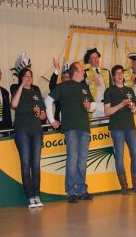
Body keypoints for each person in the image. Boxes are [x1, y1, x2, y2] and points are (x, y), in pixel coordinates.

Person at [44, 62, 97, 203]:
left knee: (82, 160)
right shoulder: (64, 86)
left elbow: (93, 105)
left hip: (84, 128)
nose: (84, 72)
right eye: (82, 70)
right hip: (71, 128)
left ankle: (82, 190)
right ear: (76, 72)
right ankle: (71, 191)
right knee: (73, 158)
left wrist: (90, 106)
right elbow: (48, 100)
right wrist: (51, 120)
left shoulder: (84, 87)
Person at [104, 65, 136, 194]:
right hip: (117, 128)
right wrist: (120, 105)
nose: (120, 75)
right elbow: (107, 112)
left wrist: (133, 108)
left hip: (130, 127)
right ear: (113, 76)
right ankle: (124, 187)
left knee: (135, 155)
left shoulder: (129, 90)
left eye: (121, 73)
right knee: (120, 157)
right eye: (117, 73)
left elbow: (135, 110)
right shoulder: (109, 91)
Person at [11, 68, 47, 208]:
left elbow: (43, 115)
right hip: (22, 130)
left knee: (35, 164)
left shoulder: (36, 93)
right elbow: (14, 105)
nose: (28, 78)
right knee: (25, 163)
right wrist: (21, 86)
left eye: (30, 76)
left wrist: (40, 114)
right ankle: (30, 197)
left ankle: (37, 195)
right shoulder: (17, 91)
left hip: (36, 130)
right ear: (21, 78)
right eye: (26, 76)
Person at [83, 47, 111, 119]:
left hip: (107, 104)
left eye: (97, 57)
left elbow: (111, 88)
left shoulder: (106, 71)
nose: (96, 59)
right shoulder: (85, 73)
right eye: (93, 58)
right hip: (94, 106)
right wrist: (90, 79)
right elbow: (82, 88)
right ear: (89, 60)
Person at [46, 58, 70, 129]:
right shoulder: (58, 88)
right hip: (60, 122)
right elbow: (52, 84)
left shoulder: (74, 88)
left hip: (72, 121)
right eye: (66, 77)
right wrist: (56, 69)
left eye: (70, 77)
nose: (68, 79)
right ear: (62, 79)